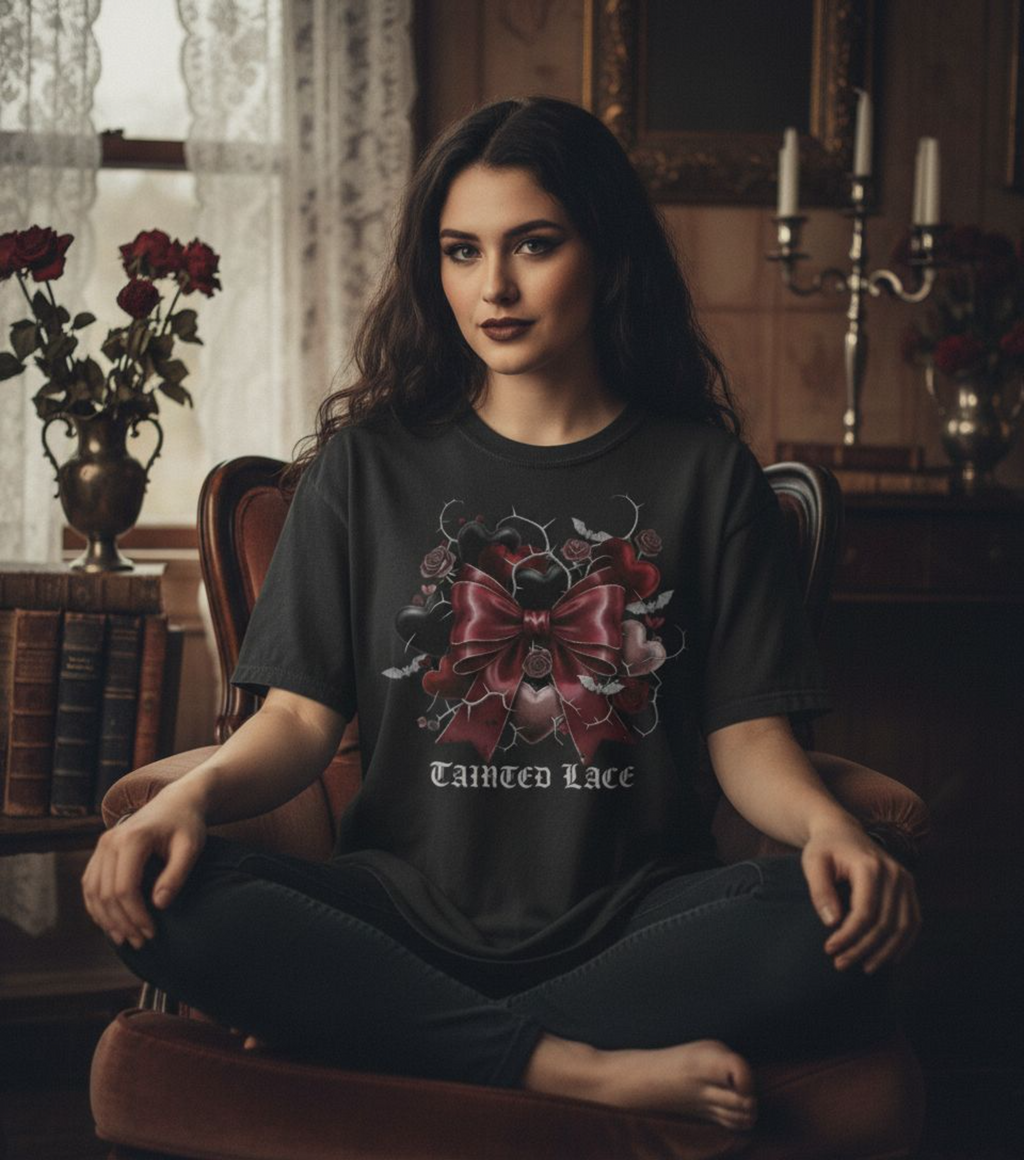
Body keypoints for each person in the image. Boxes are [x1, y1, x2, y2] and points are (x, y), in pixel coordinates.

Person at [81, 95, 921, 1135]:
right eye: (461, 250)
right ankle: (570, 1064)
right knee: (167, 890)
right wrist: (186, 802)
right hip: (396, 917)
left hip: (632, 921)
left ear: (603, 253)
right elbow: (295, 724)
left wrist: (831, 826)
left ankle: (387, 1034)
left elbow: (748, 736)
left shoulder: (706, 476)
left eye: (534, 244)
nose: (495, 287)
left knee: (826, 914)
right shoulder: (363, 469)